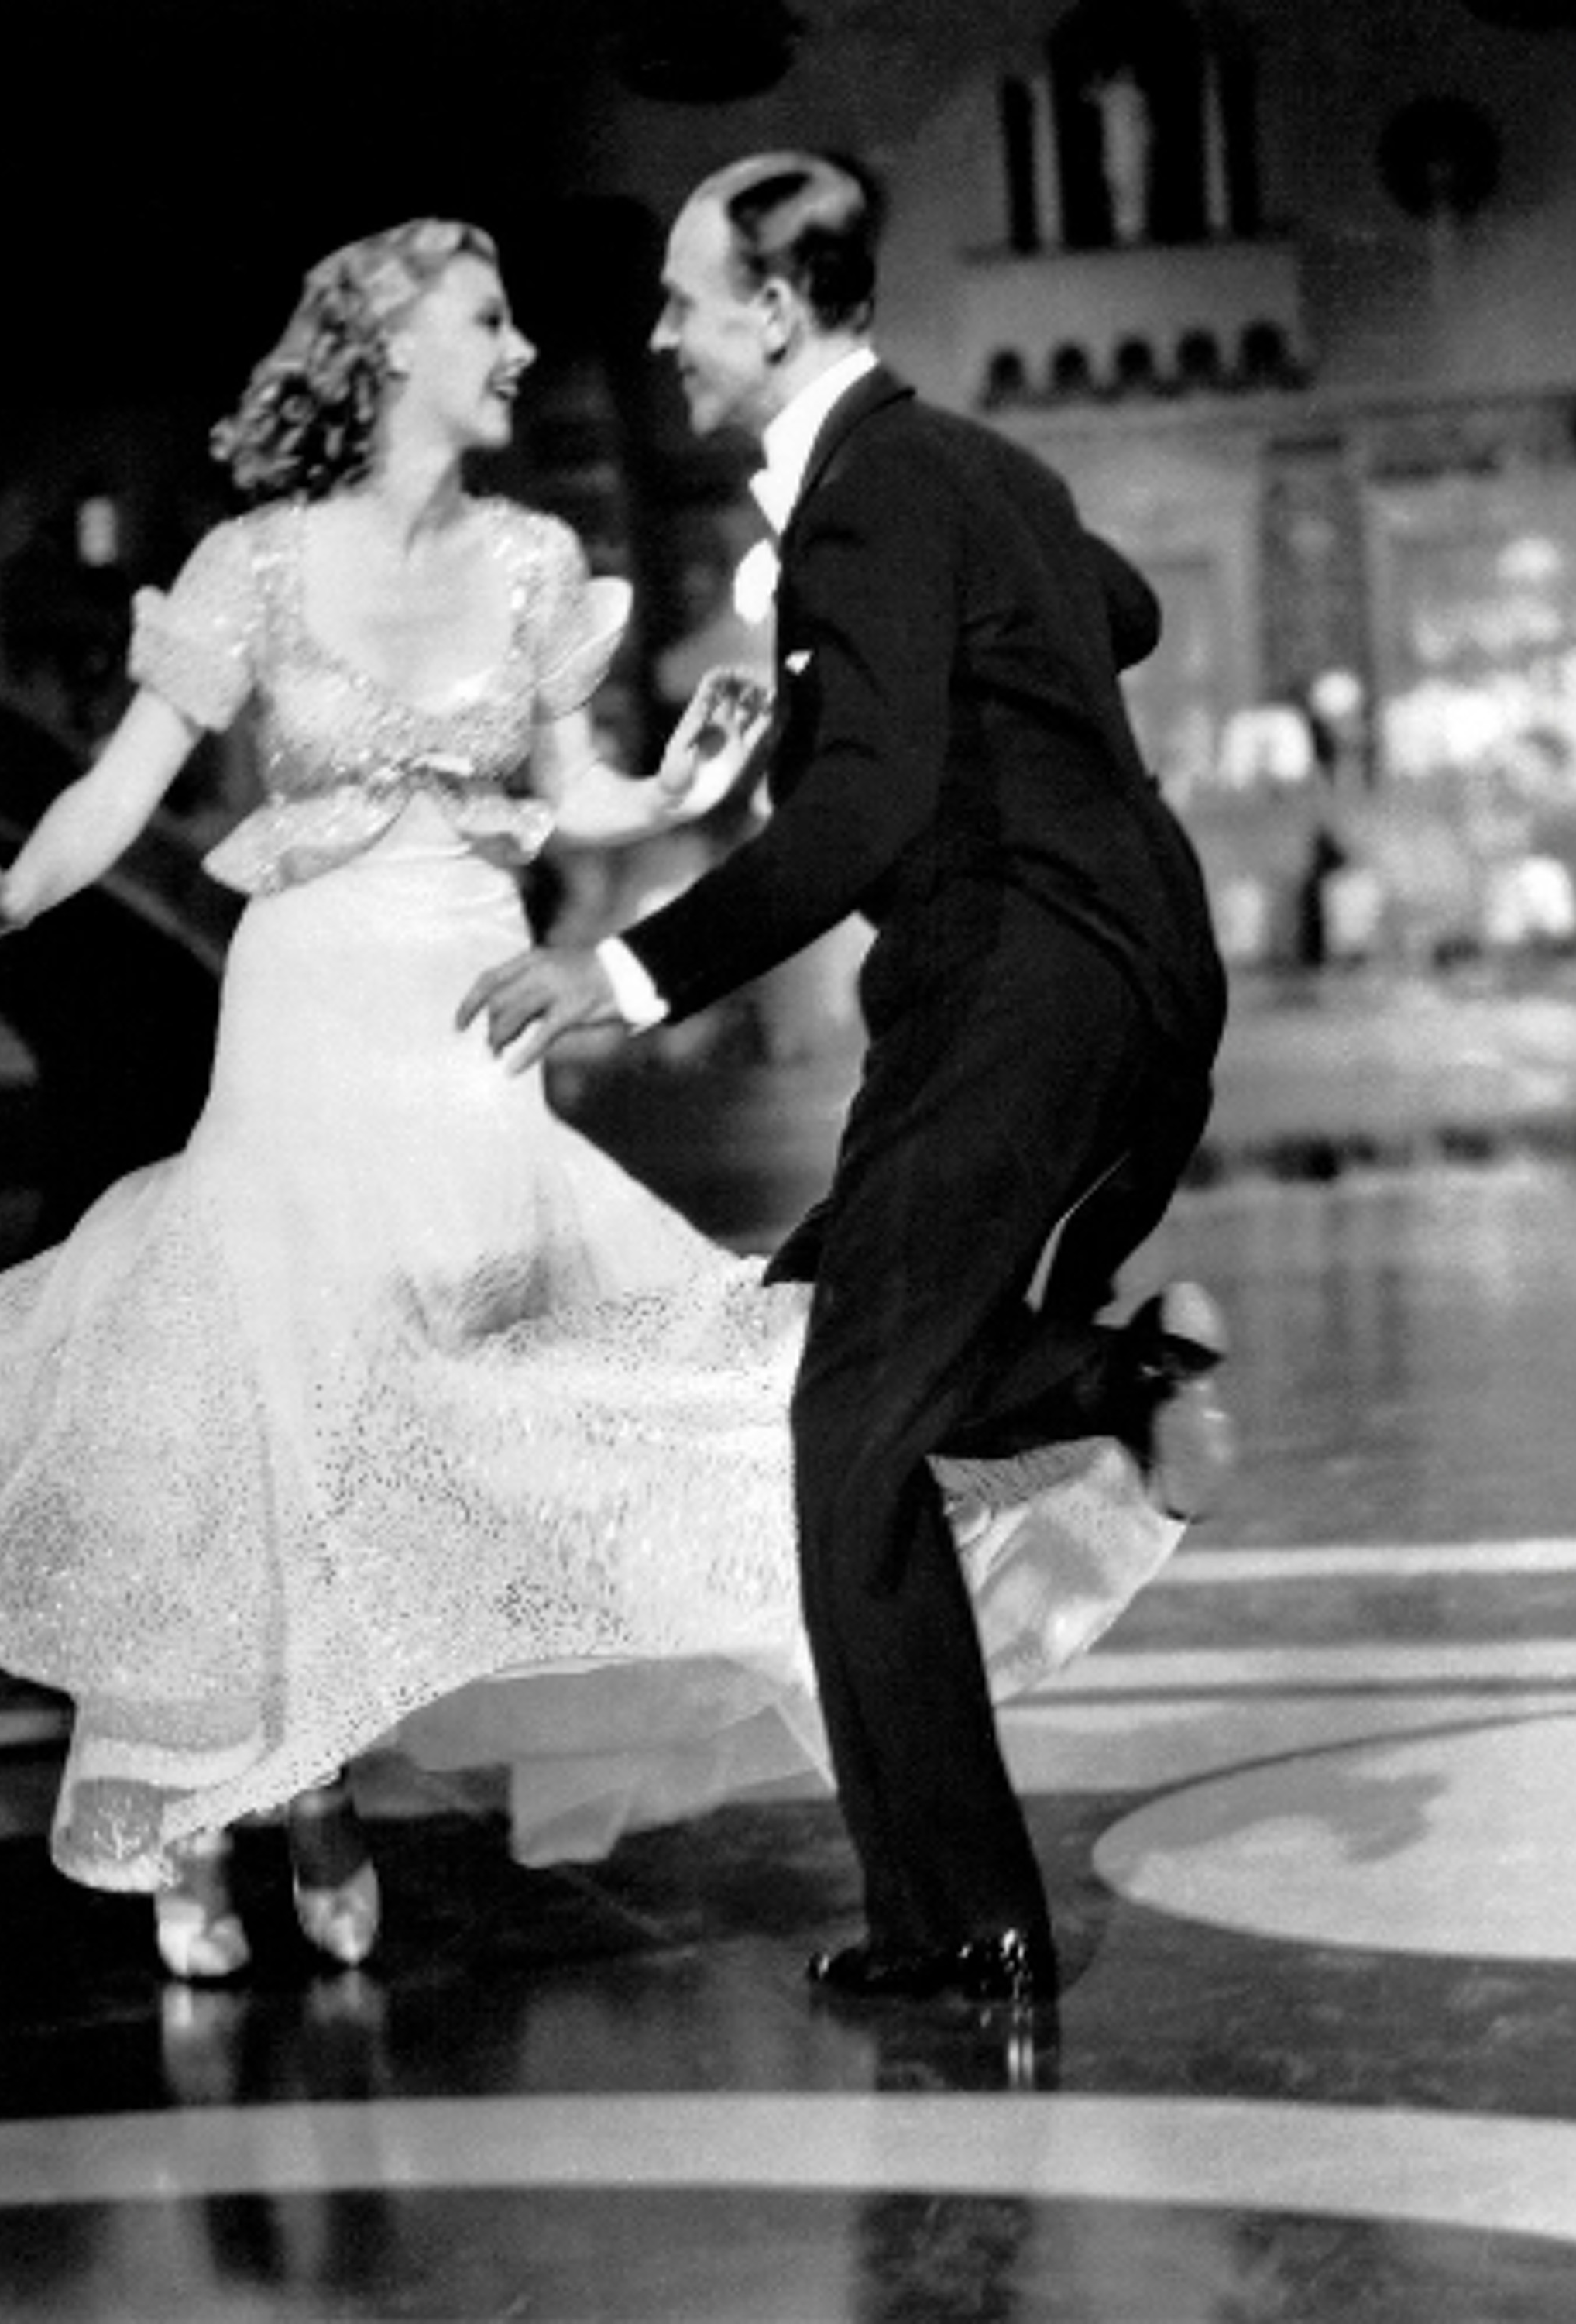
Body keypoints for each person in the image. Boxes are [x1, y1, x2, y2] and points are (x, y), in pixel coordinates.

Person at [0, 218, 806, 1982]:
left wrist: (676, 790)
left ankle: (317, 1759)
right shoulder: (252, 564)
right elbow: (121, 789)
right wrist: (8, 892)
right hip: (312, 1005)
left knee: (446, 1394)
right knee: (263, 1400)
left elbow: (576, 789)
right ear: (387, 349)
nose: (516, 350)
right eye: (485, 321)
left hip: (467, 1008)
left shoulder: (533, 559)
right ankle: (224, 1796)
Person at [462, 153, 1233, 2013]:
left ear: (780, 307)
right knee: (834, 1351)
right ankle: (1126, 1380)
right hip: (1120, 970)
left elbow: (866, 815)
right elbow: (1119, 608)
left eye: (686, 300)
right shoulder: (969, 469)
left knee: (855, 1440)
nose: (663, 335)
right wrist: (920, 648)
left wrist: (624, 971)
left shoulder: (872, 502)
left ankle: (964, 1923)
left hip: (1016, 987)